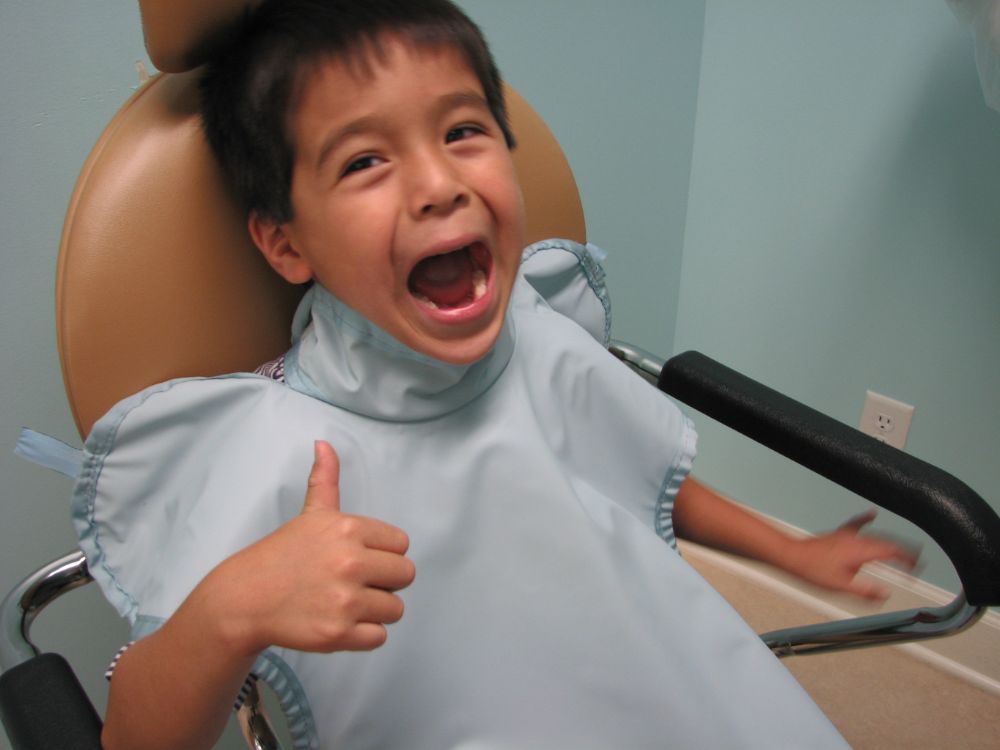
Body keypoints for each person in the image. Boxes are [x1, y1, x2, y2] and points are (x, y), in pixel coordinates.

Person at [80, 1, 916, 748]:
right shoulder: (276, 456)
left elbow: (623, 454)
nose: (440, 185)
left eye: (463, 132)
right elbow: (134, 737)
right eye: (365, 161)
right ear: (286, 243)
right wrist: (231, 610)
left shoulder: (538, 336)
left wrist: (793, 550)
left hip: (677, 682)